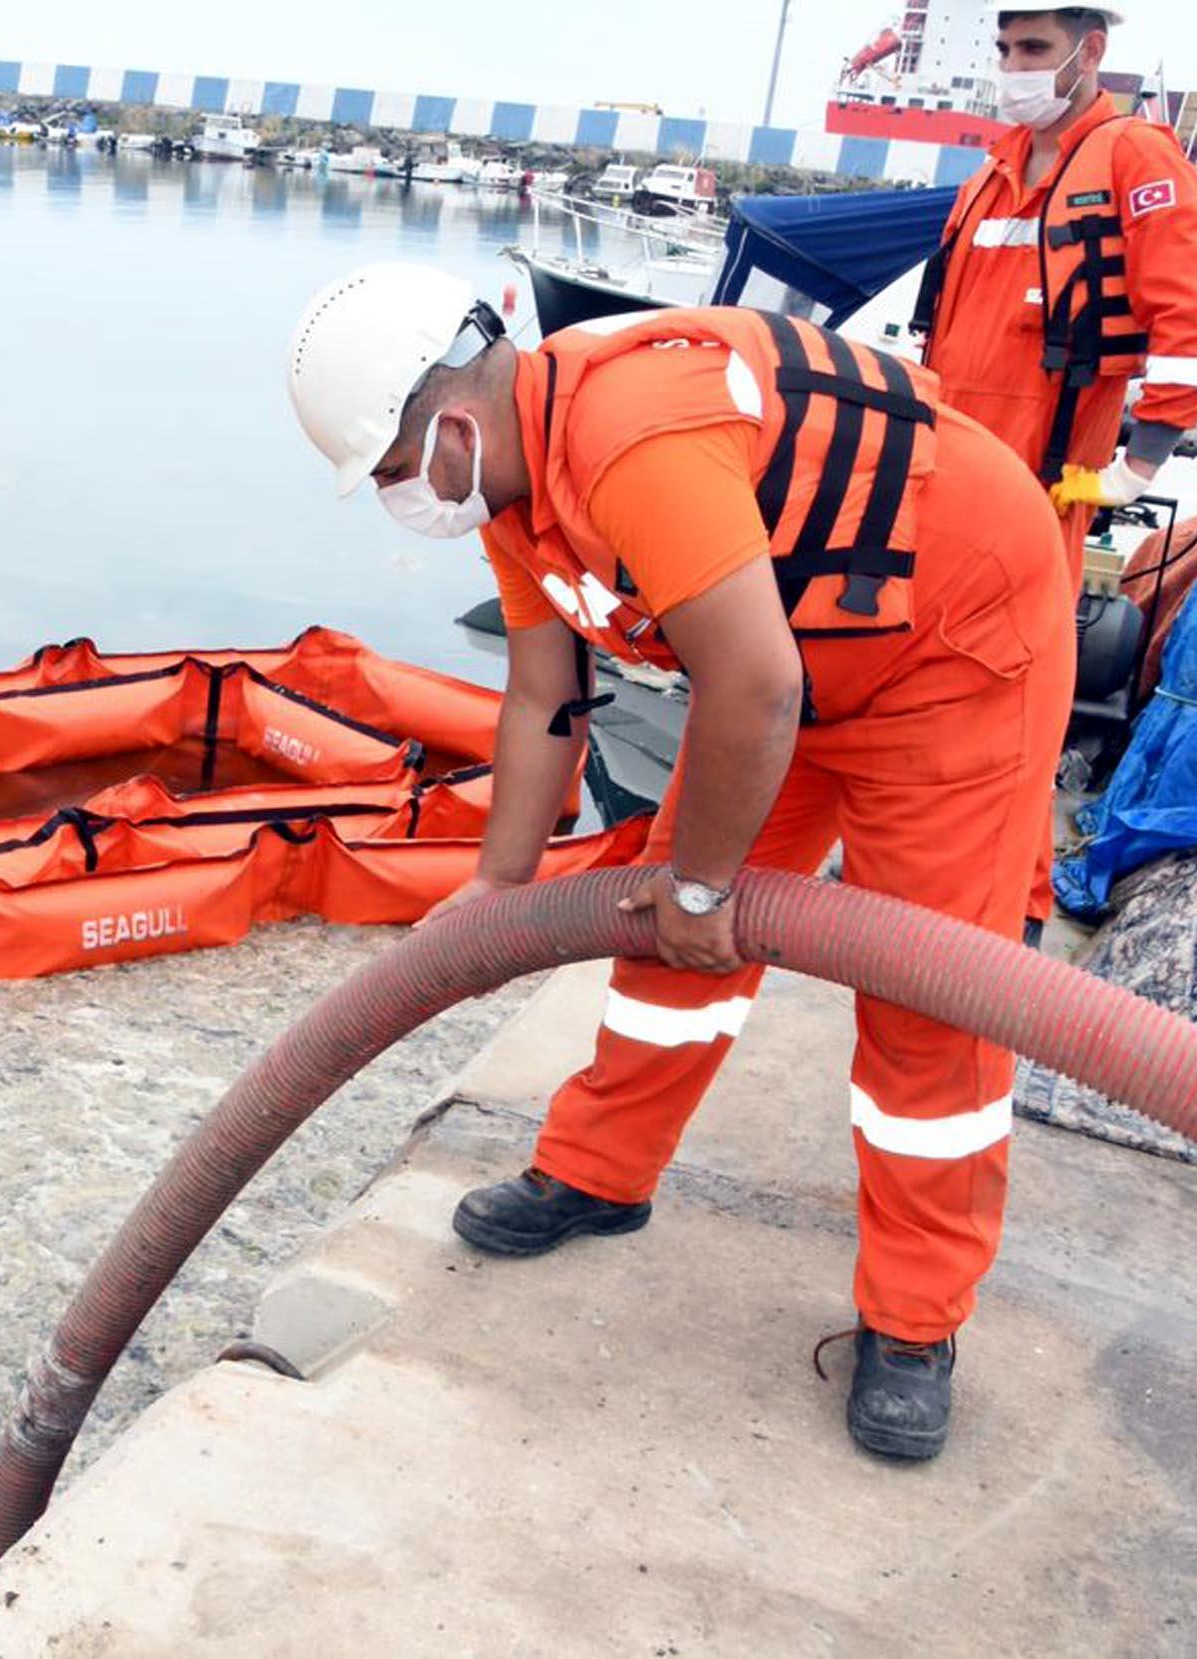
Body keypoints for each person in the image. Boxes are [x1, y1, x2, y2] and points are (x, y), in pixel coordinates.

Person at [285, 264, 1076, 1462]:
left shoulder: (630, 438)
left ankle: (915, 1323)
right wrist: (500, 888)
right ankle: (599, 1175)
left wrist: (707, 886)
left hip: (952, 649)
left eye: (395, 473)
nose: (404, 499)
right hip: (797, 658)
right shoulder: (515, 490)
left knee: (928, 1001)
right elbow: (547, 693)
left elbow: (752, 688)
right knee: (661, 942)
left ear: (452, 423)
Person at [914, 5, 1197, 938]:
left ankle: (1013, 905)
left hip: (1039, 488)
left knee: (1014, 704)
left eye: (1035, 49)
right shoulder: (997, 170)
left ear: (1091, 51)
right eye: (1006, 48)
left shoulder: (1136, 162)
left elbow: (1192, 334)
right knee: (934, 685)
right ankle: (927, 871)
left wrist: (1137, 466)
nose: (1014, 65)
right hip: (947, 479)